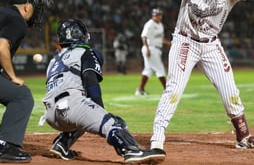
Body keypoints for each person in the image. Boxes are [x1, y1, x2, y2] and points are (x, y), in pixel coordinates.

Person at [150, 0, 254, 153]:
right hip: (185, 41)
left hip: (211, 44)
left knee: (230, 89)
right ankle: (157, 138)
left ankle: (243, 137)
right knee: (174, 90)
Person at [41, 18, 165, 164]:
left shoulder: (53, 60)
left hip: (50, 114)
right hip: (71, 106)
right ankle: (132, 151)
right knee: (114, 122)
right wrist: (101, 113)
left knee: (82, 114)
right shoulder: (84, 52)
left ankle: (61, 144)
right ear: (79, 34)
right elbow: (90, 81)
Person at [0, 0, 51, 163]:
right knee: (22, 96)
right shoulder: (16, 19)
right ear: (27, 7)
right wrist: (12, 77)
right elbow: (1, 47)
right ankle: (4, 146)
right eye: (36, 9)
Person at [135, 8, 171, 96]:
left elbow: (161, 39)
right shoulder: (149, 24)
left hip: (156, 48)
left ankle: (140, 90)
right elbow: (143, 37)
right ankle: (167, 89)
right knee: (160, 69)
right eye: (156, 15)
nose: (157, 17)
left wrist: (169, 44)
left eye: (159, 15)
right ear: (153, 16)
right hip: (151, 48)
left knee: (148, 70)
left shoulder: (161, 25)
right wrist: (147, 48)